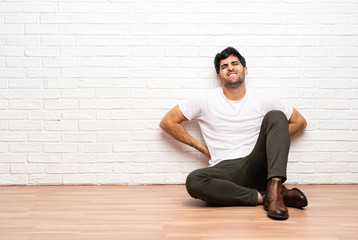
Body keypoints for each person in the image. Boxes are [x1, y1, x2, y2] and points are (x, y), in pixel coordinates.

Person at [159, 47, 308, 220]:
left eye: (235, 63)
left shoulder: (264, 99)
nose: (230, 67)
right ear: (218, 76)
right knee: (194, 180)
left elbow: (300, 122)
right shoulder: (204, 99)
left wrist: (272, 141)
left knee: (276, 116)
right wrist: (200, 147)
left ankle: (274, 186)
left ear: (244, 70)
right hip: (225, 169)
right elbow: (168, 122)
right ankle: (270, 196)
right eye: (224, 66)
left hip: (256, 163)